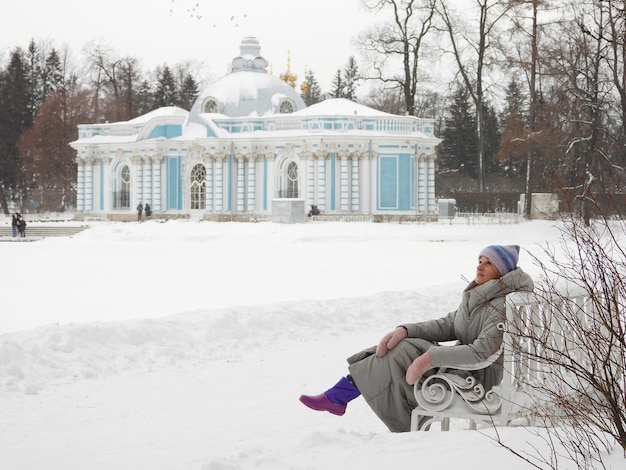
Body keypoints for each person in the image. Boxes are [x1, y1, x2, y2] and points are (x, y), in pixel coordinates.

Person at [299, 245, 534, 432]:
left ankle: (340, 397)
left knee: (402, 352)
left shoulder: (501, 304)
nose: (480, 267)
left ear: (502, 271)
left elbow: (483, 353)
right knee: (401, 345)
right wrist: (406, 330)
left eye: (489, 263)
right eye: (480, 261)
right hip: (465, 369)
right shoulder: (482, 296)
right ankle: (337, 397)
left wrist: (429, 358)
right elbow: (450, 324)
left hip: (479, 378)